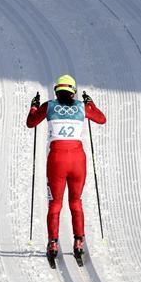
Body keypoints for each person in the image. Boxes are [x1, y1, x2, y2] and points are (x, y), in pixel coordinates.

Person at [26, 74, 106, 264]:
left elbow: (31, 123)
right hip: (78, 159)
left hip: (57, 159)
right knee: (76, 201)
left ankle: (53, 243)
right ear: (73, 92)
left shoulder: (49, 106)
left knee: (55, 204)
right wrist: (91, 103)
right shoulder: (81, 107)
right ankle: (79, 242)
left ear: (57, 91)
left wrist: (33, 107)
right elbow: (101, 119)